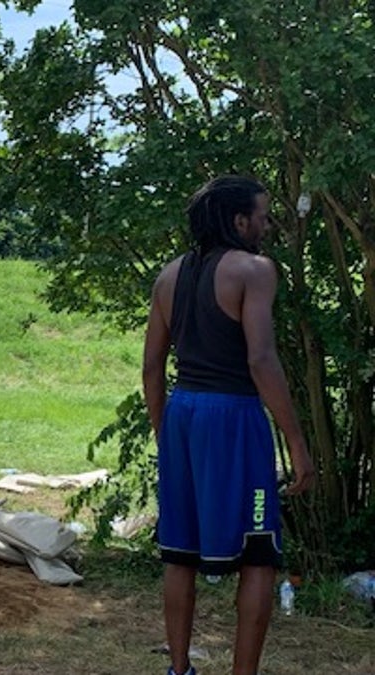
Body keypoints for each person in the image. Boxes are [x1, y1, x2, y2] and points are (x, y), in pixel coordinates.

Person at [142, 176, 316, 675]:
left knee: (180, 553)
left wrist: (165, 435)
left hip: (182, 413)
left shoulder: (169, 275)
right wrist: (297, 444)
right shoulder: (255, 270)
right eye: (261, 215)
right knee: (258, 553)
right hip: (233, 417)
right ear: (239, 221)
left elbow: (152, 367)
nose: (267, 224)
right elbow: (261, 359)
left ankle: (180, 670)